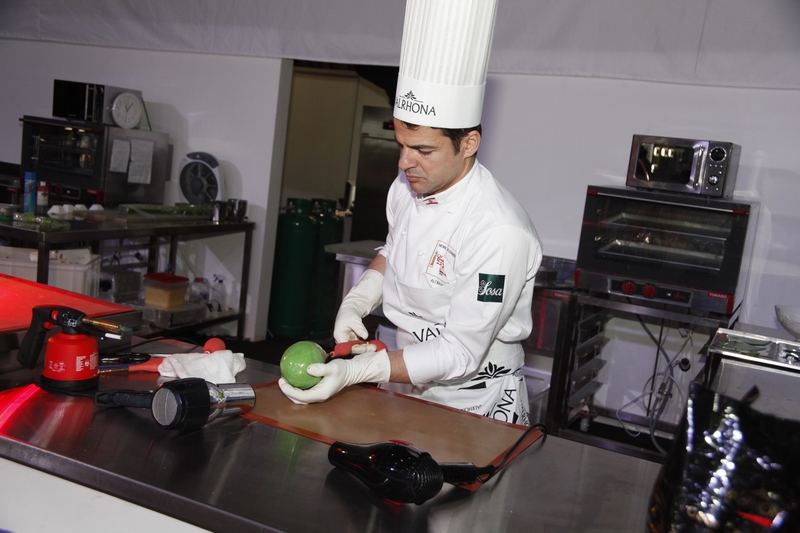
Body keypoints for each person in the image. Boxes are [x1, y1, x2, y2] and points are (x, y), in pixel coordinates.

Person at [278, 0, 543, 425]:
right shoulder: (407, 186)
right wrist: (358, 300)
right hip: (405, 378)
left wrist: (359, 370)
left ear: (469, 144)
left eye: (422, 150)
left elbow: (459, 352)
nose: (404, 163)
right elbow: (396, 248)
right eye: (401, 144)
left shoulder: (498, 230)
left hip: (474, 400)